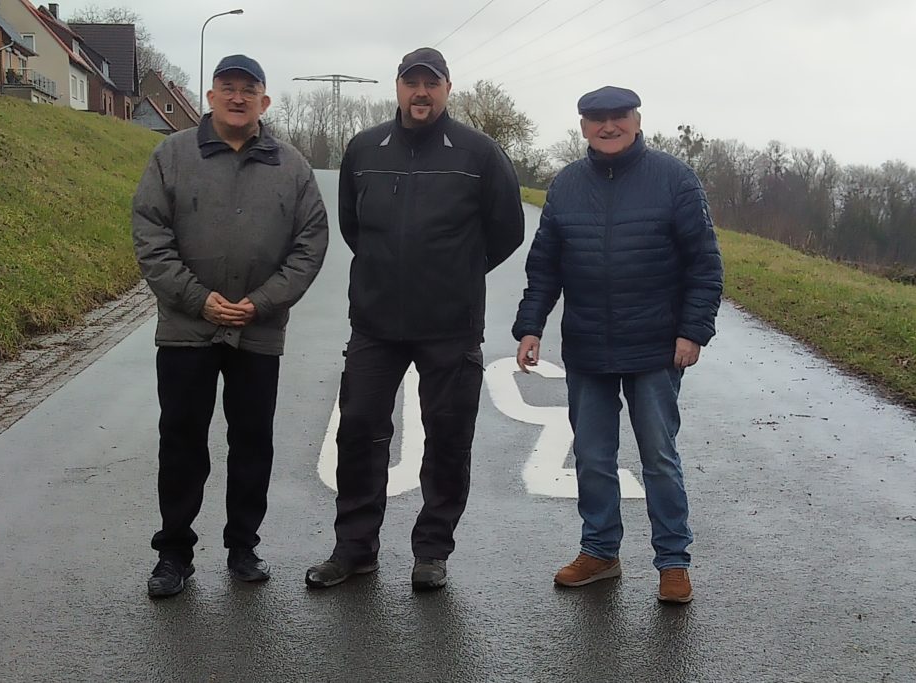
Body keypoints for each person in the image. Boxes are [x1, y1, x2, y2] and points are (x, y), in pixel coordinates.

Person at [305, 47, 525, 591]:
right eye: (411, 82)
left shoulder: (480, 153)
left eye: (431, 83)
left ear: (448, 88)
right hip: (375, 324)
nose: (420, 92)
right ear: (397, 88)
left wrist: (455, 270)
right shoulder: (363, 149)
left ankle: (432, 551)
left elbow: (508, 230)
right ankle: (354, 549)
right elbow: (355, 228)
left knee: (448, 437)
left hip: (450, 325)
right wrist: (390, 270)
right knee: (358, 433)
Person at [512, 86, 723, 603]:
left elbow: (704, 264)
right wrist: (531, 327)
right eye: (597, 118)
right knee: (592, 456)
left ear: (636, 120)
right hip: (587, 347)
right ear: (583, 126)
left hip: (655, 347)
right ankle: (600, 552)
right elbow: (545, 268)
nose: (609, 126)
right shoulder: (565, 186)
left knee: (659, 458)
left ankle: (673, 562)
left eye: (619, 117)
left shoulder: (675, 179)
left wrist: (693, 331)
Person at [132, 55, 328, 598]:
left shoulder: (292, 167)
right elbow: (151, 235)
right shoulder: (171, 156)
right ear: (211, 96)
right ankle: (174, 552)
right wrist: (199, 300)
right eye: (228, 88)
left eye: (249, 89)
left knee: (252, 443)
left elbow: (310, 244)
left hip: (258, 332)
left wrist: (261, 303)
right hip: (185, 330)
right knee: (181, 442)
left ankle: (243, 546)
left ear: (265, 101)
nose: (238, 97)